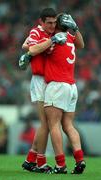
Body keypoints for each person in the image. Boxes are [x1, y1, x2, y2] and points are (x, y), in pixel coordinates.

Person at [20, 8, 67, 173]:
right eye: (49, 23)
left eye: (54, 23)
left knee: (47, 124)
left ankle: (30, 159)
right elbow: (29, 47)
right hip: (40, 80)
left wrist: (28, 55)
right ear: (41, 22)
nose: (52, 26)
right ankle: (40, 163)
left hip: (49, 80)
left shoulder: (48, 34)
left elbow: (26, 46)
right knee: (45, 124)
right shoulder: (37, 31)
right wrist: (29, 54)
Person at [44, 13, 86, 174]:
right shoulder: (69, 37)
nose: (52, 24)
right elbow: (81, 44)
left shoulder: (55, 39)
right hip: (71, 87)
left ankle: (60, 165)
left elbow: (36, 50)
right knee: (68, 125)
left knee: (53, 125)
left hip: (57, 85)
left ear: (58, 24)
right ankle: (79, 160)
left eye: (55, 22)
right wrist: (75, 28)